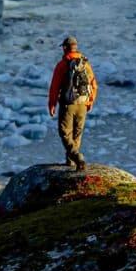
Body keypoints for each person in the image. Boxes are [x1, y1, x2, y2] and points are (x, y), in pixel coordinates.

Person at [46, 35, 97, 170]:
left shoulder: (63, 65)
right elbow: (93, 84)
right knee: (77, 133)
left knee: (65, 132)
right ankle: (71, 161)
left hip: (68, 104)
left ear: (64, 48)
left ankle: (76, 156)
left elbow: (55, 86)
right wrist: (90, 102)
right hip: (83, 104)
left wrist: (52, 104)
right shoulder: (85, 64)